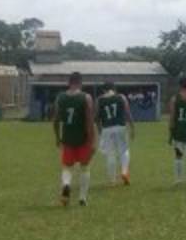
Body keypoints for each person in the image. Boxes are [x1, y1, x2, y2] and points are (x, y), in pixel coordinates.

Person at [53, 72, 96, 207]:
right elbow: (90, 121)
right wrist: (92, 140)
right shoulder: (86, 97)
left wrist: (57, 137)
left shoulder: (60, 98)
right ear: (80, 83)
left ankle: (66, 184)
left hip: (67, 137)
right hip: (83, 138)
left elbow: (55, 120)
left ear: (69, 82)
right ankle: (82, 198)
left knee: (67, 167)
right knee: (85, 168)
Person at [95, 82, 134, 185]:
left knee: (110, 154)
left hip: (107, 128)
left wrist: (100, 132)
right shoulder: (121, 97)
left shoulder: (100, 100)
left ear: (104, 90)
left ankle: (112, 180)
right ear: (114, 89)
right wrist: (132, 127)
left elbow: (97, 118)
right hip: (120, 127)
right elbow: (127, 113)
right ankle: (125, 172)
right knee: (124, 150)